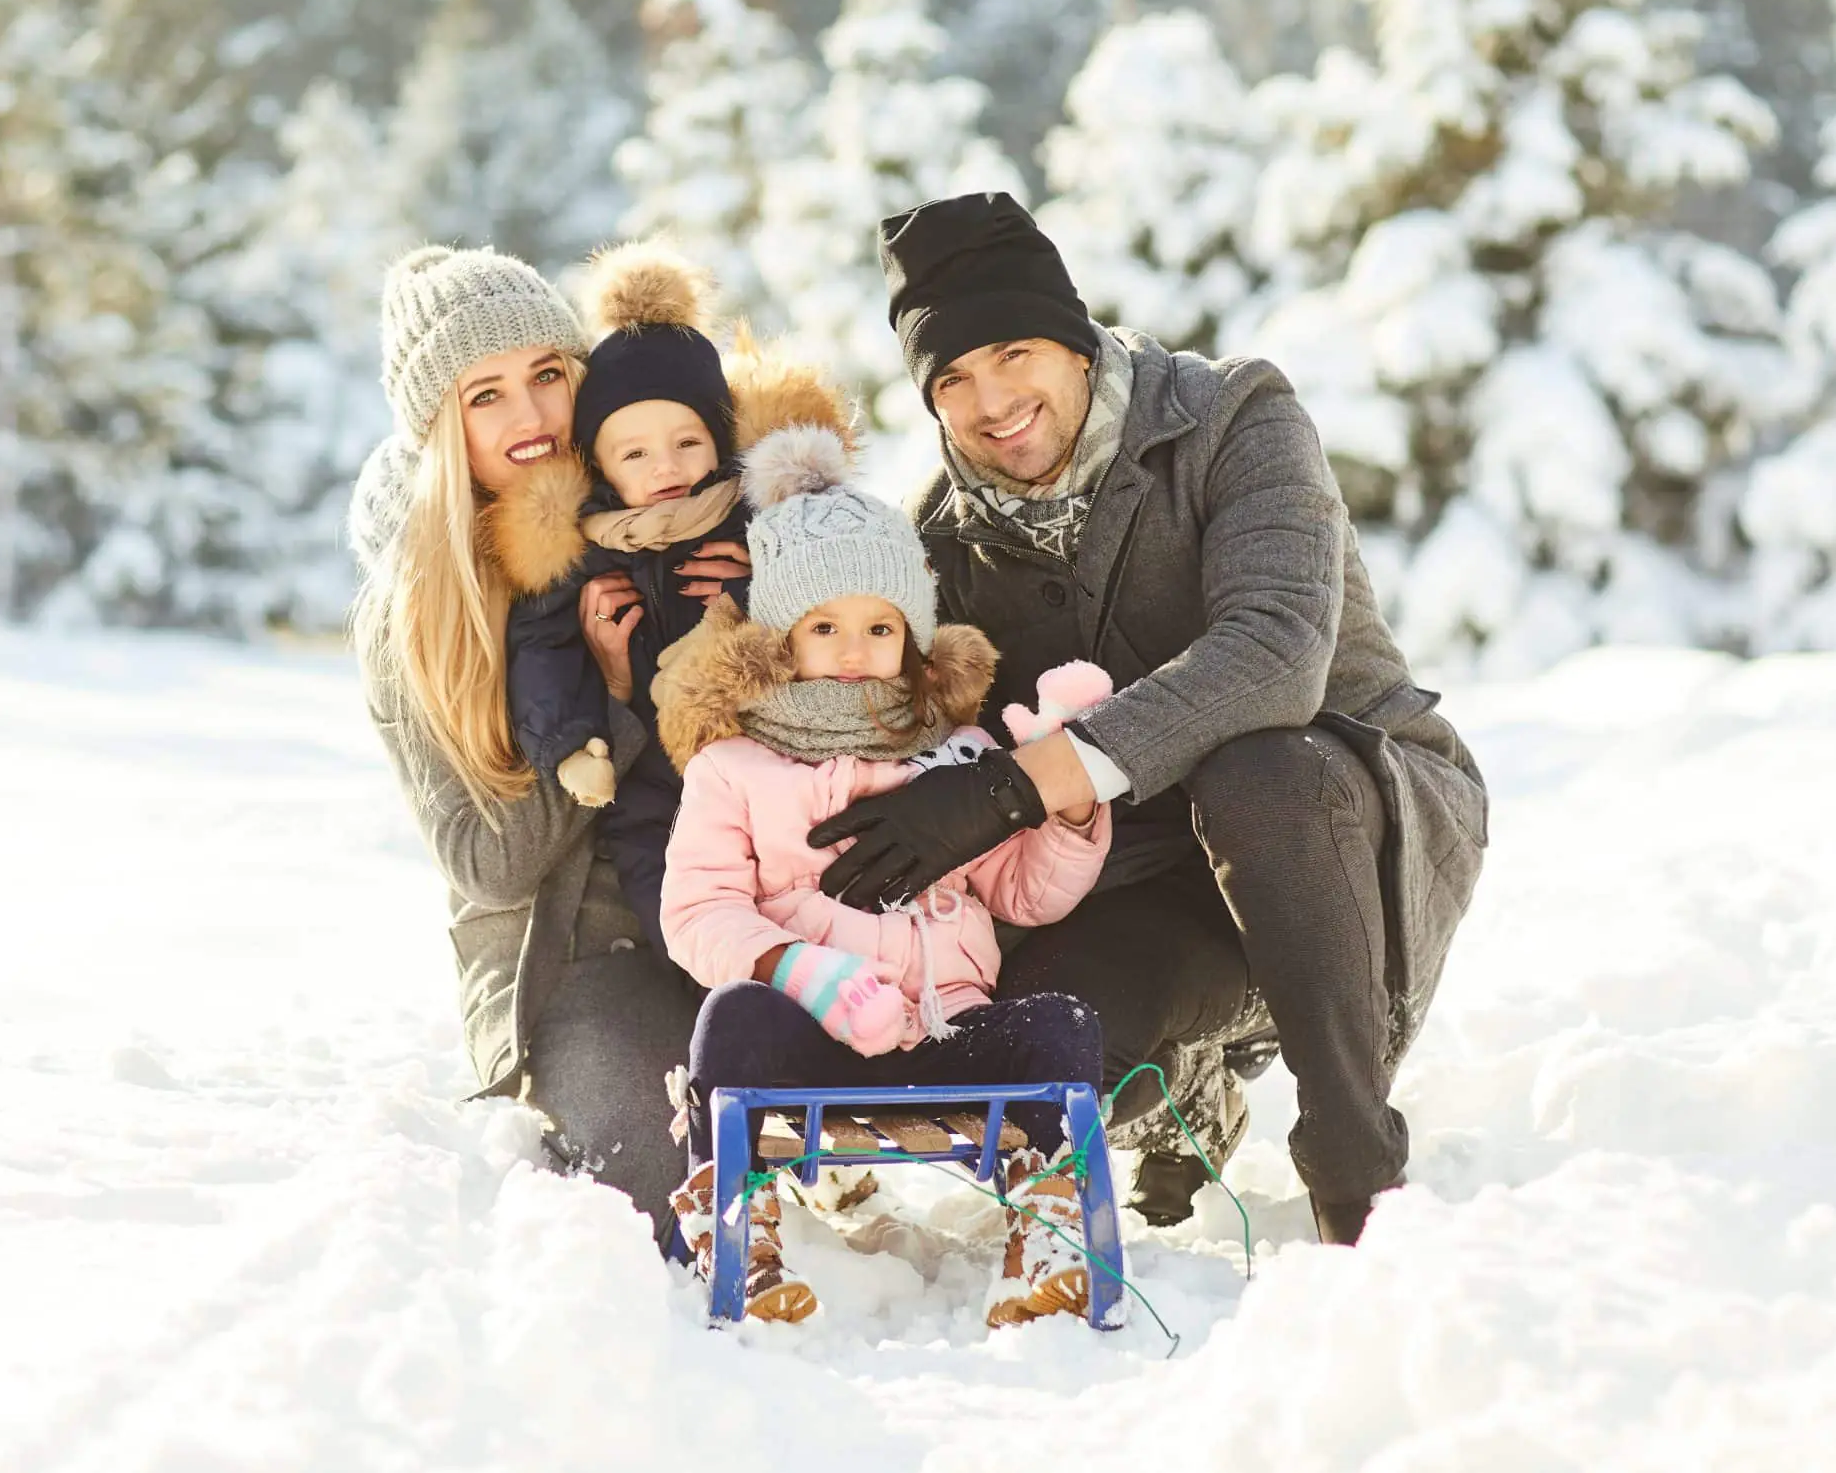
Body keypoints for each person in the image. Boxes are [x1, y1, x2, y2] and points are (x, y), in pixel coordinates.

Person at [808, 192, 1491, 1246]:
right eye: (951, 380)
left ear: (1077, 344)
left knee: (1258, 771)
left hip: (1334, 817)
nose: (991, 402)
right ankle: (1191, 1077)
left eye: (1014, 354)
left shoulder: (1231, 421)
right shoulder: (940, 539)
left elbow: (1274, 657)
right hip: (1129, 869)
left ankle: (1355, 1165)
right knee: (1047, 1055)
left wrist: (1007, 789)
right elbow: (875, 705)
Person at [648, 423, 1112, 1326]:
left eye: (879, 625)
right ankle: (731, 1222)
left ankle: (1048, 1235)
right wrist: (801, 971)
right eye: (824, 626)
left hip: (949, 1034)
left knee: (1063, 1026)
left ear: (915, 637)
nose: (854, 646)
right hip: (814, 1040)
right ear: (782, 639)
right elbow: (698, 909)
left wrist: (1070, 803)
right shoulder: (735, 767)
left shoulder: (962, 756)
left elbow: (1025, 891)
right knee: (728, 1019)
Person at [347, 243, 735, 1246]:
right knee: (661, 1191)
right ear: (441, 425)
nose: (529, 419)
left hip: (715, 905)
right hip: (562, 954)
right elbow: (492, 865)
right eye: (486, 396)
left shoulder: (661, 504)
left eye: (548, 377)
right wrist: (612, 698)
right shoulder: (416, 606)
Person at [495, 241, 851, 955]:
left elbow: (841, 590)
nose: (666, 467)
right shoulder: (585, 550)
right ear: (600, 466)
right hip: (656, 774)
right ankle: (720, 985)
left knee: (806, 876)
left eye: (687, 441)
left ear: (719, 441)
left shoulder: (758, 521)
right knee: (670, 898)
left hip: (773, 754)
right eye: (635, 453)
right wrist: (569, 742)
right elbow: (543, 647)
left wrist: (756, 582)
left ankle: (828, 978)